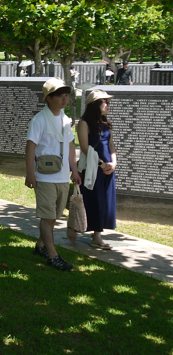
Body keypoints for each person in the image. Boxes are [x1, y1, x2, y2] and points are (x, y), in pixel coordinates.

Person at [25, 78, 82, 271]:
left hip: (62, 176)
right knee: (47, 217)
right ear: (49, 98)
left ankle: (41, 246)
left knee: (54, 216)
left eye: (67, 96)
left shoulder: (66, 119)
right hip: (44, 176)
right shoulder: (39, 120)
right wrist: (30, 174)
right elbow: (30, 147)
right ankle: (52, 255)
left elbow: (70, 147)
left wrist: (74, 171)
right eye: (60, 96)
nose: (65, 100)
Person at [77, 90, 117, 250]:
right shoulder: (84, 123)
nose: (107, 105)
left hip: (108, 168)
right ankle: (96, 236)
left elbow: (111, 145)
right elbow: (85, 147)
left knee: (105, 201)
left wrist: (113, 162)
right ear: (95, 105)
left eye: (108, 102)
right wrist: (101, 163)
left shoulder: (106, 124)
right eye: (104, 102)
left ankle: (97, 235)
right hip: (93, 168)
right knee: (94, 200)